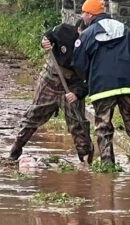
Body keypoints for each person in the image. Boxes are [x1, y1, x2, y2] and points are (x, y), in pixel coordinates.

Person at [70, 0, 130, 169]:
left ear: (91, 14)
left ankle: (107, 167)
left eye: (84, 12)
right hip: (128, 84)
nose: (82, 16)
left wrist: (88, 78)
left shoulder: (87, 35)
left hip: (102, 87)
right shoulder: (124, 29)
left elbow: (78, 62)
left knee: (103, 127)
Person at [8, 19, 93, 162]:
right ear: (77, 30)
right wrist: (44, 43)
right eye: (81, 35)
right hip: (50, 78)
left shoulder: (93, 44)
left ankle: (85, 161)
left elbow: (92, 76)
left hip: (73, 85)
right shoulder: (63, 30)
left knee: (78, 124)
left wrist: (78, 93)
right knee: (33, 115)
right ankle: (15, 151)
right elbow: (47, 37)